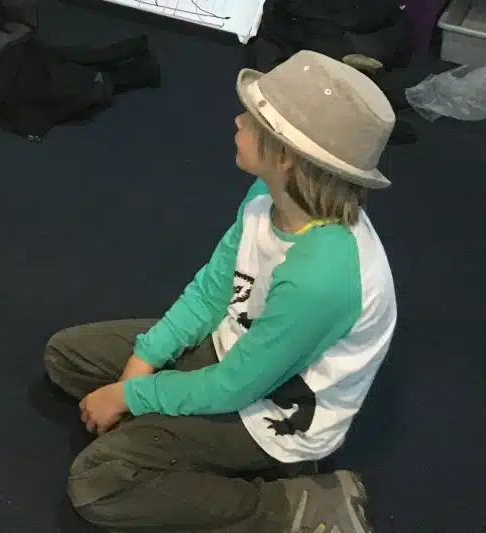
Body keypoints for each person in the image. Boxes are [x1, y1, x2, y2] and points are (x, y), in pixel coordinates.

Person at [43, 51, 396, 533]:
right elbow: (214, 292)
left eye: (252, 119)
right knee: (65, 357)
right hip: (236, 354)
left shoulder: (323, 277)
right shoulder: (268, 194)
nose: (237, 121)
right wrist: (142, 362)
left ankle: (292, 505)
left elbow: (236, 387)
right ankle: (175, 442)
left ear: (287, 157)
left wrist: (132, 397)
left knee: (97, 483)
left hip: (270, 412)